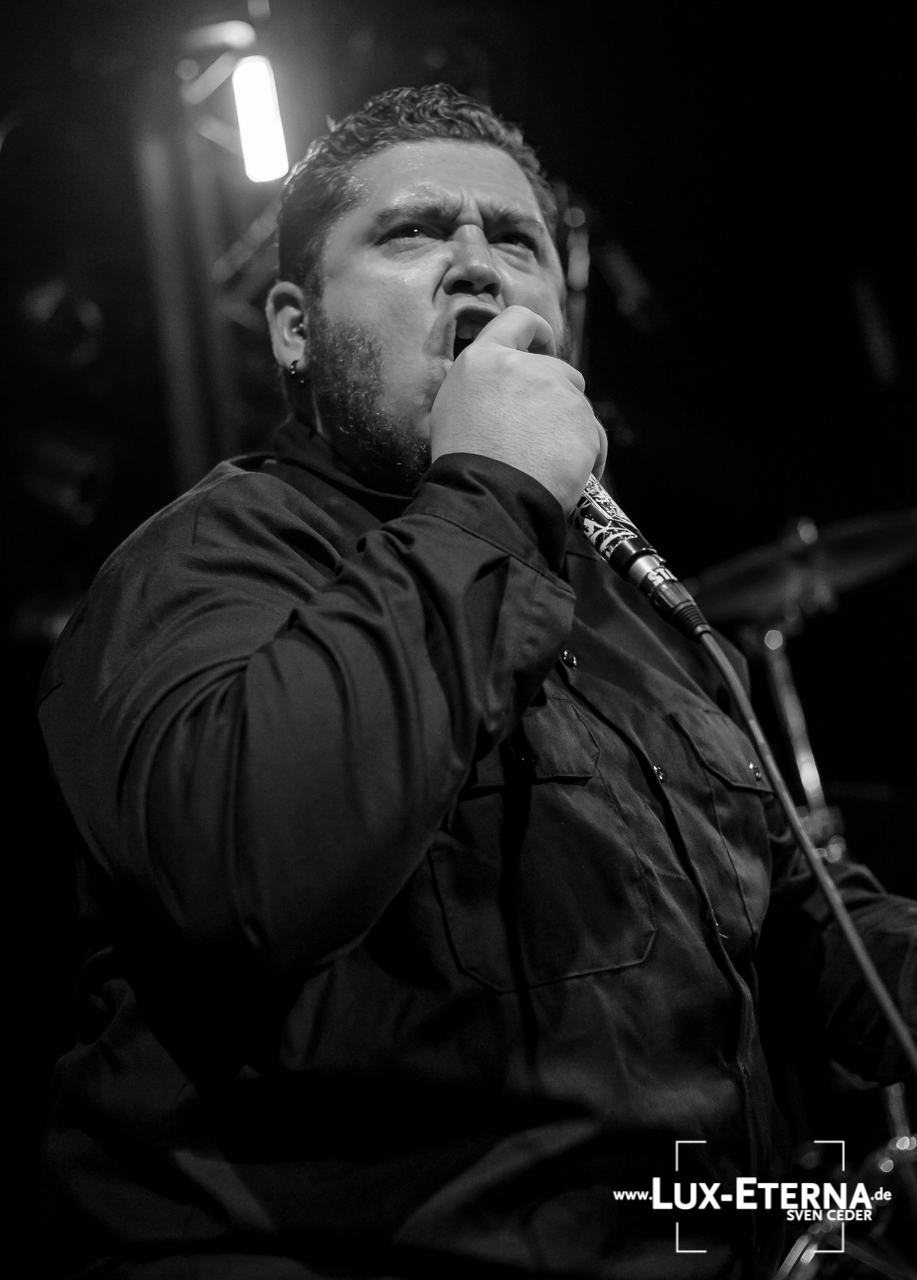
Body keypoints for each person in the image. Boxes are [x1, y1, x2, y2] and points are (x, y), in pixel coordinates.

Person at [37, 83, 915, 1280]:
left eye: (516, 241)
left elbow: (804, 923)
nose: (476, 265)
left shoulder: (626, 615)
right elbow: (249, 870)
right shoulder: (204, 560)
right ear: (295, 328)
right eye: (410, 232)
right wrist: (489, 488)